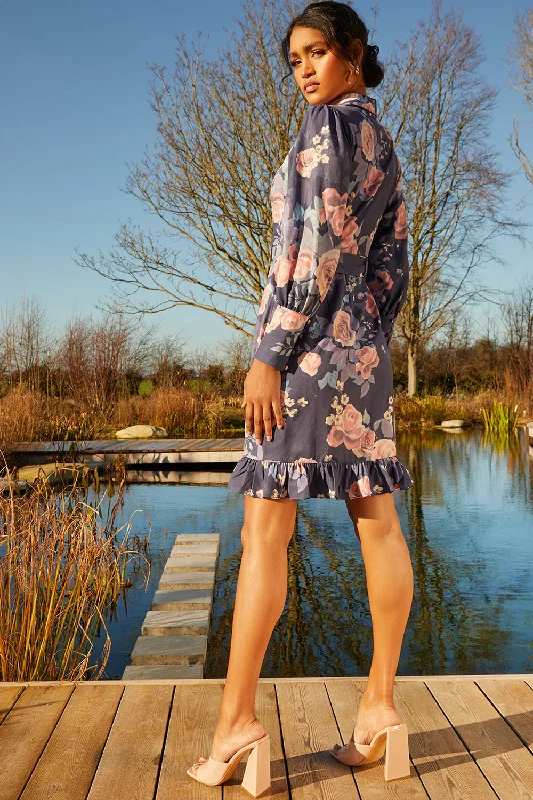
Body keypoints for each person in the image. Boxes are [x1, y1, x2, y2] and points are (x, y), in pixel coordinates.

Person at [187, 1, 414, 793]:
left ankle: (236, 723)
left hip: (303, 357)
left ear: (353, 53)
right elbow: (394, 268)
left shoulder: (324, 131)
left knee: (263, 532)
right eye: (294, 59)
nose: (304, 70)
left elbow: (307, 249)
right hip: (362, 357)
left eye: (317, 52)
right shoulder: (383, 142)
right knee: (377, 524)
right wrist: (366, 340)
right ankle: (379, 705)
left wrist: (269, 356)